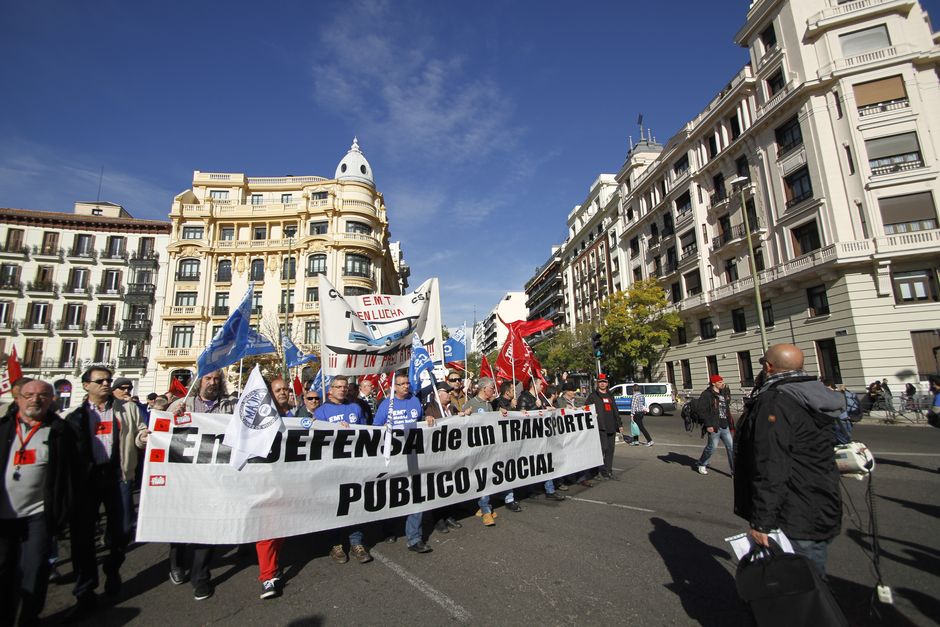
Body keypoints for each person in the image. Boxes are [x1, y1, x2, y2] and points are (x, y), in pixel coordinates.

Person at [733, 343, 844, 579]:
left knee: (798, 591)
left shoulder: (776, 401)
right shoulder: (817, 394)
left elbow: (772, 464)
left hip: (793, 510)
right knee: (811, 582)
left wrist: (762, 522)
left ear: (769, 367)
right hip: (822, 500)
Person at [66, 366, 150, 619]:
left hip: (120, 477)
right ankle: (85, 590)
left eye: (108, 380)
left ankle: (113, 566)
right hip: (88, 481)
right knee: (83, 539)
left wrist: (145, 437)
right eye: (100, 381)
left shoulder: (128, 409)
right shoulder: (76, 417)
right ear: (86, 385)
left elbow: (139, 434)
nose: (106, 384)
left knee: (122, 529)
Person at [1, 379, 77, 626]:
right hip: (4, 514)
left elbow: (69, 475)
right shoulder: (3, 428)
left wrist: (62, 511)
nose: (36, 399)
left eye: (43, 395)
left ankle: (29, 618)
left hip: (39, 514)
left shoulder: (60, 431)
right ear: (18, 398)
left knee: (34, 570)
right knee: (4, 570)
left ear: (52, 400)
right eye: (30, 394)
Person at [166, 370, 236, 601]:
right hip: (184, 475)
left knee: (208, 526)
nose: (212, 383)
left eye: (217, 379)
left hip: (214, 476)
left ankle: (201, 577)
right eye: (208, 378)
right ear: (200, 382)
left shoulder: (228, 406)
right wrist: (171, 417)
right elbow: (160, 433)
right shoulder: (182, 404)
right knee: (181, 524)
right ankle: (177, 563)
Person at [313, 376, 371, 563]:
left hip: (354, 465)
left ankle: (356, 542)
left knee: (355, 503)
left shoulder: (355, 407)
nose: (342, 390)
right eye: (338, 387)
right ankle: (336, 544)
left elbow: (366, 430)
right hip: (332, 466)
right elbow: (316, 439)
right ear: (330, 390)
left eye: (345, 387)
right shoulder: (321, 411)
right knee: (335, 506)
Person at [373, 373, 433, 553]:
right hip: (393, 458)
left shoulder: (414, 401)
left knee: (416, 495)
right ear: (395, 387)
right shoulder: (387, 404)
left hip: (413, 455)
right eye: (401, 384)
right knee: (392, 494)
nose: (406, 386)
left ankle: (414, 538)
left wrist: (428, 420)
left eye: (407, 383)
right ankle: (389, 529)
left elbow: (420, 423)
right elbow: (375, 428)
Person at [465, 378, 521, 524]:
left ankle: (485, 505)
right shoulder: (471, 404)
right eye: (491, 388)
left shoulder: (490, 404)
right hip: (478, 449)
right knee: (484, 479)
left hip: (491, 448)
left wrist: (502, 412)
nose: (493, 391)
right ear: (483, 389)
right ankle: (486, 510)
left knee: (492, 477)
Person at [423, 381, 465, 533]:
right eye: (447, 392)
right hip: (437, 454)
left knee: (450, 484)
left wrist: (462, 417)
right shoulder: (431, 408)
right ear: (438, 394)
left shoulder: (452, 408)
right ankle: (438, 519)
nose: (450, 394)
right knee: (439, 485)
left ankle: (448, 515)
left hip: (452, 453)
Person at [585, 374, 624, 479]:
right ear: (598, 383)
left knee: (610, 450)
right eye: (600, 381)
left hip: (611, 426)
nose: (602, 383)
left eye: (604, 381)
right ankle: (594, 472)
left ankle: (608, 470)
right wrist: (592, 415)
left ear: (607, 383)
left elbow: (615, 411)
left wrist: (619, 424)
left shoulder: (610, 395)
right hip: (600, 426)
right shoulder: (593, 396)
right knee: (602, 449)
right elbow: (586, 409)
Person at [696, 375, 733, 475]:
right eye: (720, 382)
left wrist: (726, 390)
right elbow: (701, 411)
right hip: (714, 426)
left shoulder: (723, 393)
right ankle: (702, 463)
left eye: (722, 382)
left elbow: (727, 404)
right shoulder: (707, 394)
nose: (722, 383)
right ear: (714, 383)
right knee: (712, 447)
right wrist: (708, 424)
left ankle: (734, 471)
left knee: (731, 447)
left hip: (725, 425)